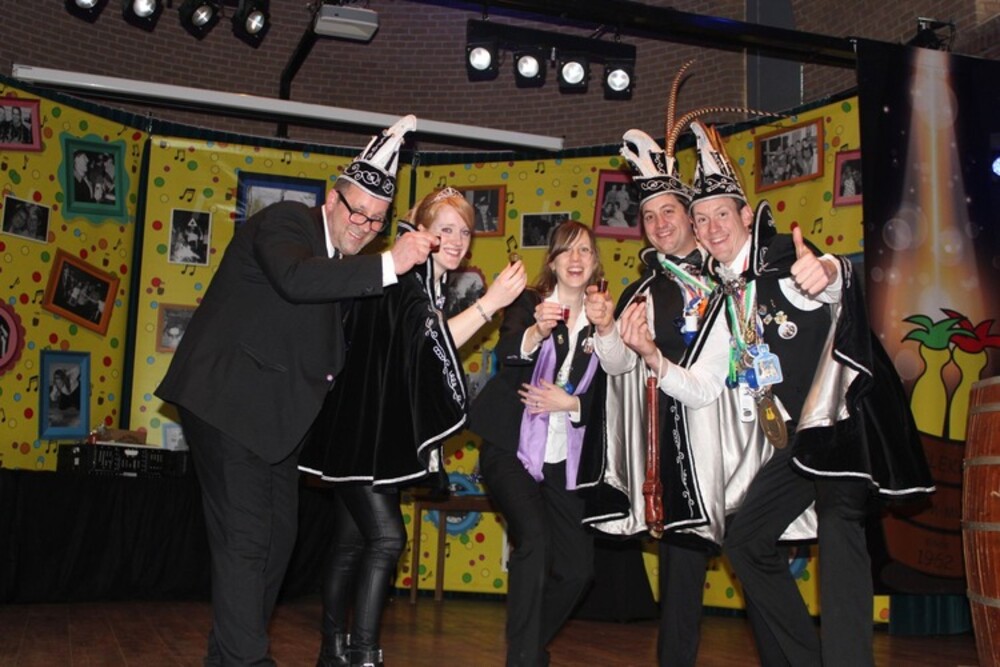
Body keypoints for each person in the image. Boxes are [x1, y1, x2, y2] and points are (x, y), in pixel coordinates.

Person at [616, 120, 933, 666]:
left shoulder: (786, 256)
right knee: (745, 541)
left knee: (839, 524)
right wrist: (652, 357)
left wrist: (827, 270)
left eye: (721, 215)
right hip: (798, 443)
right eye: (701, 219)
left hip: (842, 426)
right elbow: (703, 385)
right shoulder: (724, 299)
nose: (711, 227)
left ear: (747, 216)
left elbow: (827, 283)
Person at [154, 116, 438, 667]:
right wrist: (391, 262)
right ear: (332, 198)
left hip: (277, 426)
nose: (363, 225)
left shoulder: (346, 268)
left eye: (376, 220)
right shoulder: (287, 222)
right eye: (355, 211)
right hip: (228, 402)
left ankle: (228, 656)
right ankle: (248, 660)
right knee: (246, 539)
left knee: (278, 540)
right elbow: (294, 278)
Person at [299, 186, 526, 667]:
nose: (457, 240)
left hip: (363, 431)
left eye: (464, 231)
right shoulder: (406, 278)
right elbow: (429, 342)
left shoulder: (423, 283)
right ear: (420, 231)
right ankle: (362, 654)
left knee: (351, 542)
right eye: (446, 229)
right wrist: (491, 303)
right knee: (387, 539)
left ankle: (332, 652)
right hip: (362, 432)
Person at [579, 96, 723, 664]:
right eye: (650, 217)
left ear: (691, 214)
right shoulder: (641, 291)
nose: (660, 225)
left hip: (734, 439)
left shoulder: (728, 273)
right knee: (682, 569)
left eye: (669, 212)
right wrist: (608, 331)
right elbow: (618, 368)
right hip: (676, 443)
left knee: (756, 556)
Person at [469, 220, 606, 667]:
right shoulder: (529, 304)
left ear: (595, 262)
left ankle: (528, 645)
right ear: (552, 261)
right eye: (566, 250)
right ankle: (524, 658)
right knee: (534, 540)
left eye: (584, 250)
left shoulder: (604, 321)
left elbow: (614, 394)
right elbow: (506, 352)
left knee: (578, 570)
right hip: (510, 447)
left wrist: (572, 403)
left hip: (566, 458)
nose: (575, 259)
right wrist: (536, 333)